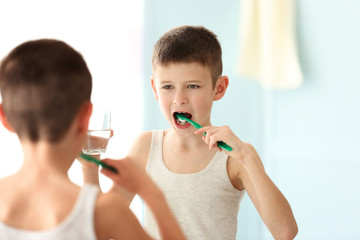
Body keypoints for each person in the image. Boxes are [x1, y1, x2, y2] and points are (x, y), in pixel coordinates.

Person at [0, 39, 185, 240]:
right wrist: (151, 193)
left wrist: (89, 167)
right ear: (86, 117)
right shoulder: (105, 211)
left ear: (5, 118)